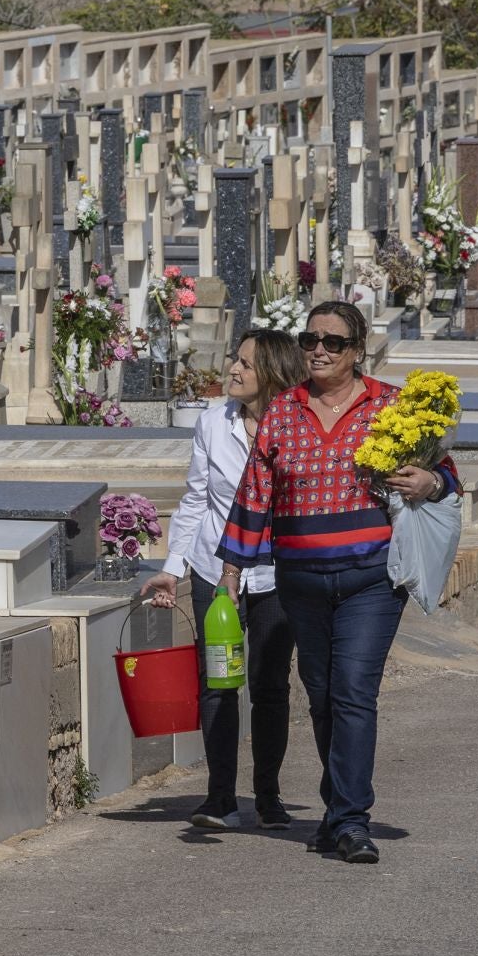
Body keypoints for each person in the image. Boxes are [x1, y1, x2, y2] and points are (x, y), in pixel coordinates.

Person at [216, 300, 457, 865]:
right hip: (300, 578)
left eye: (333, 342)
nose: (319, 350)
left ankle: (351, 819)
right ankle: (336, 808)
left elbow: (447, 474)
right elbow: (256, 492)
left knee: (353, 691)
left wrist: (429, 480)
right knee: (322, 697)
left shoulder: (393, 406)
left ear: (358, 350)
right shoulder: (283, 412)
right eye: (310, 340)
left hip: (371, 576)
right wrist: (232, 566)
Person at [145, 330, 307, 831]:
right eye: (235, 359)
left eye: (245, 364)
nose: (233, 370)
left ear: (273, 375)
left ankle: (268, 794)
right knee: (217, 682)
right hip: (215, 571)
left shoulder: (296, 426)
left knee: (269, 685)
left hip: (276, 573)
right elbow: (196, 499)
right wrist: (173, 568)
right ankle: (219, 797)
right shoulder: (213, 423)